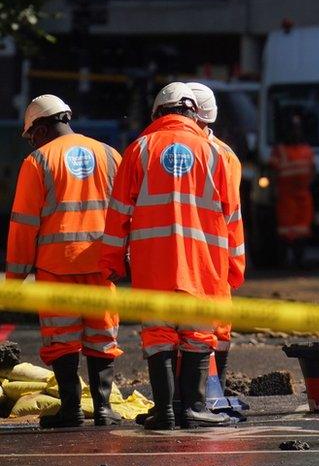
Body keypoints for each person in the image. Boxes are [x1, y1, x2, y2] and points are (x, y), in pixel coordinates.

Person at [100, 82, 241, 430]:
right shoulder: (213, 152)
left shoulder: (139, 149)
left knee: (158, 331)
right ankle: (193, 408)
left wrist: (111, 261)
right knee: (197, 332)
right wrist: (234, 266)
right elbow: (232, 215)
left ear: (158, 113)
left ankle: (164, 410)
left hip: (153, 260)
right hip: (202, 260)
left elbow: (118, 212)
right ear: (193, 113)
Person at [5, 94, 123, 428]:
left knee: (62, 339)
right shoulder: (109, 154)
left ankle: (71, 410)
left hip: (56, 267)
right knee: (102, 337)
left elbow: (24, 224)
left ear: (41, 126)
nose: (33, 141)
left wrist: (15, 278)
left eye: (32, 135)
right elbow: (124, 212)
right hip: (101, 264)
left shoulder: (38, 161)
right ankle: (103, 408)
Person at [186, 82, 246, 392]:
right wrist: (234, 264)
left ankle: (207, 393)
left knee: (205, 330)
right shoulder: (225, 156)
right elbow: (233, 217)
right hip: (213, 259)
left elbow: (230, 216)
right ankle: (209, 393)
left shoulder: (217, 155)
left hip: (199, 260)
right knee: (209, 329)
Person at [270, 112, 316, 267]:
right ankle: (284, 260)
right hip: (286, 196)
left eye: (297, 129)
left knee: (302, 229)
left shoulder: (306, 150)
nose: (295, 132)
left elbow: (313, 170)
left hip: (303, 196)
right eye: (292, 129)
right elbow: (272, 172)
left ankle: (299, 259)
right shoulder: (280, 150)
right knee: (285, 230)